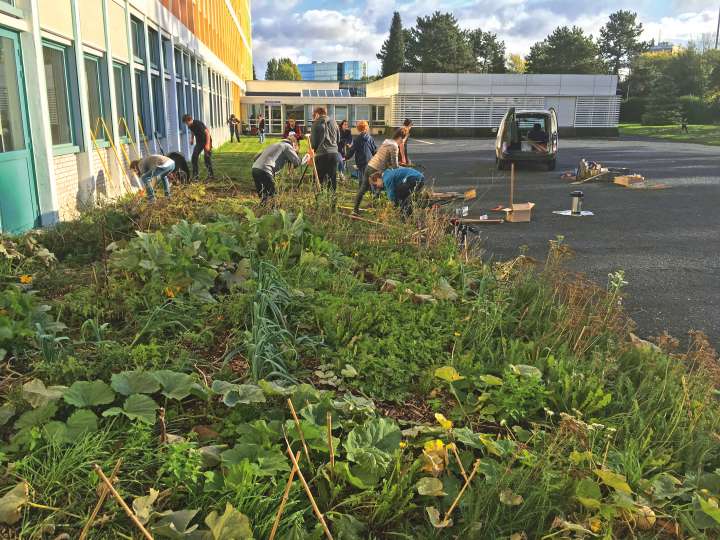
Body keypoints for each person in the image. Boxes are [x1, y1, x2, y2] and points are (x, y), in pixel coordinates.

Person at [352, 127, 406, 215]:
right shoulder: (394, 146)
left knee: (363, 189)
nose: (402, 142)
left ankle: (355, 210)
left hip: (370, 165)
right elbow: (395, 166)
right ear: (400, 138)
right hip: (377, 169)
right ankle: (376, 211)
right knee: (381, 188)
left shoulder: (386, 142)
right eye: (402, 140)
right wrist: (402, 168)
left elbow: (383, 156)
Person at [251, 135, 303, 203]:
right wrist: (307, 157)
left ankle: (263, 210)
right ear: (294, 144)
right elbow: (297, 162)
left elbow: (255, 158)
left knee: (264, 197)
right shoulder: (287, 146)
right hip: (266, 170)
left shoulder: (274, 144)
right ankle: (273, 212)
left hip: (255, 168)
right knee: (273, 197)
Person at [310, 107, 340, 191]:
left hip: (321, 155)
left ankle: (319, 202)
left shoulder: (315, 124)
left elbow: (314, 143)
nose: (313, 118)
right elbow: (338, 139)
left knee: (319, 180)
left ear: (317, 114)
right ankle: (332, 203)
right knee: (332, 180)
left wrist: (314, 151)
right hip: (334, 154)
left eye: (313, 116)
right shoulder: (334, 123)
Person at [183, 114, 215, 180]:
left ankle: (211, 176)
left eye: (186, 123)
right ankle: (195, 176)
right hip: (199, 142)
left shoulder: (198, 124)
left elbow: (207, 133)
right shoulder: (190, 125)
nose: (186, 125)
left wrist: (207, 145)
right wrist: (192, 139)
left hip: (206, 141)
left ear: (190, 120)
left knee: (207, 159)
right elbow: (192, 131)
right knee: (194, 158)